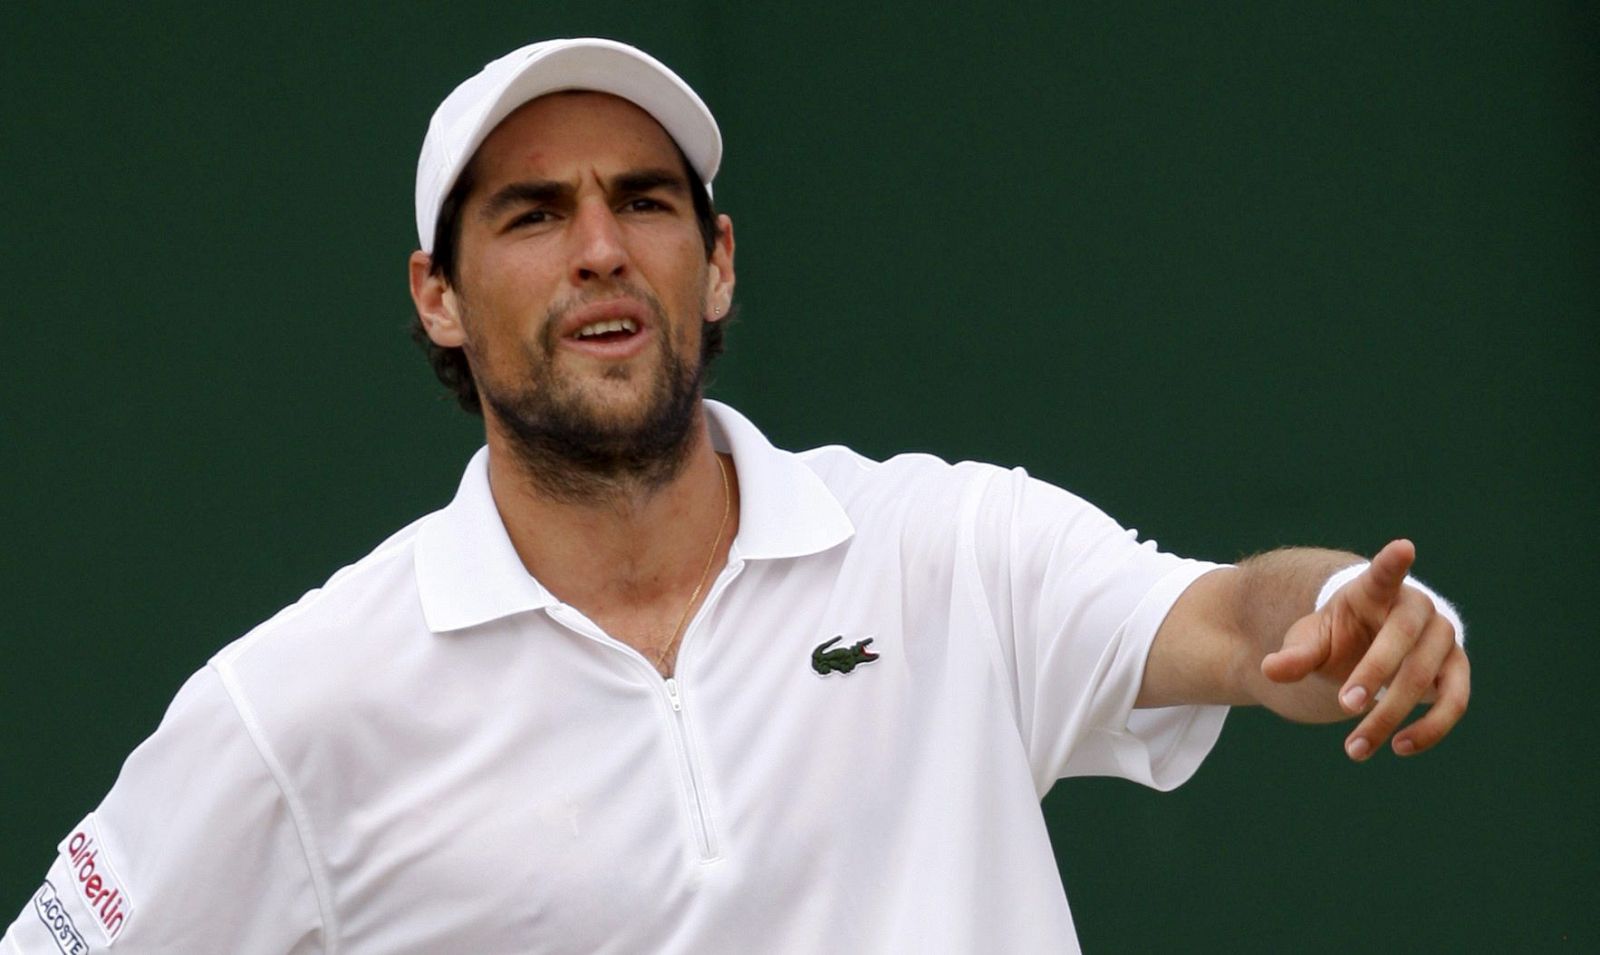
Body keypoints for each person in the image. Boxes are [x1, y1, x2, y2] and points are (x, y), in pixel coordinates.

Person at [3, 37, 1469, 955]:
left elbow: (1226, 616)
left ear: (713, 263)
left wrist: (1346, 612)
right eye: (533, 213)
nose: (600, 247)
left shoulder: (940, 552)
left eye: (643, 201)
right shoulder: (299, 706)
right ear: (437, 298)